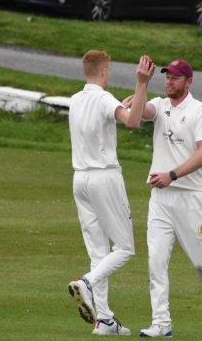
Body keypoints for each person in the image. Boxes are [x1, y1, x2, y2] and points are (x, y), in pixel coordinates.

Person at [130, 59, 202, 339]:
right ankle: (161, 322)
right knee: (156, 261)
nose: (169, 82)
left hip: (191, 198)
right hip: (161, 199)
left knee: (201, 262)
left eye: (175, 78)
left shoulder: (200, 110)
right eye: (167, 77)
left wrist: (172, 175)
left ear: (188, 81)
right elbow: (138, 113)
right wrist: (141, 84)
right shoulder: (160, 105)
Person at [67, 50, 155, 336]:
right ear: (104, 71)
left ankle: (104, 319)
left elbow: (114, 117)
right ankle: (87, 283)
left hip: (80, 179)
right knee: (125, 248)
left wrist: (124, 105)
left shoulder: (76, 100)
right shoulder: (104, 99)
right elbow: (132, 122)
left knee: (99, 252)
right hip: (104, 178)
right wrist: (142, 84)